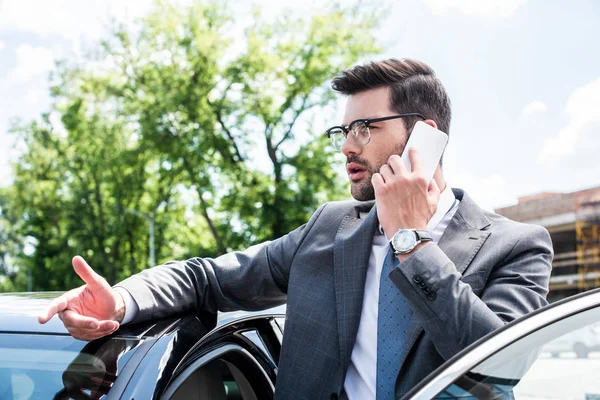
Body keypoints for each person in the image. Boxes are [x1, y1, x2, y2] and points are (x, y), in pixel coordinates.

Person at [38, 59, 553, 399]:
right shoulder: (328, 230)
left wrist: (412, 243)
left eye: (364, 128)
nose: (348, 146)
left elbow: (495, 366)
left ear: (426, 137)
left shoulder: (516, 246)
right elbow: (206, 279)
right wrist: (122, 301)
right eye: (342, 131)